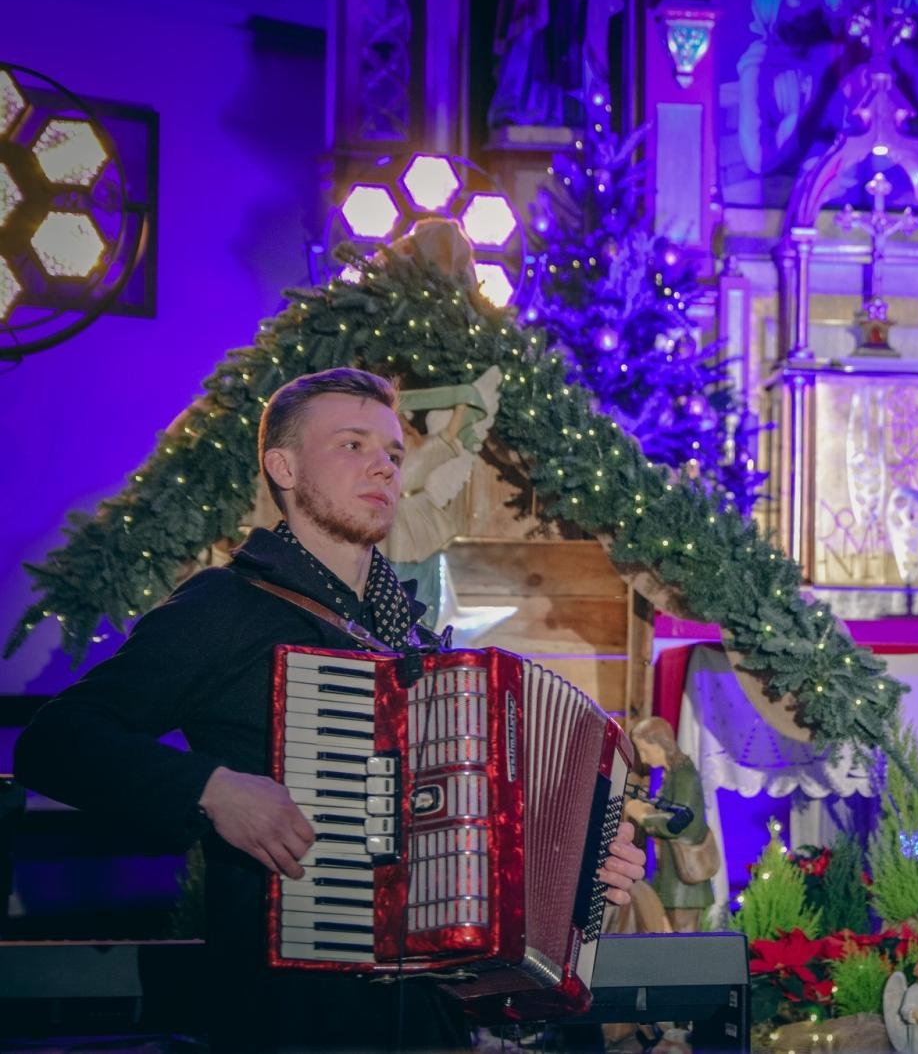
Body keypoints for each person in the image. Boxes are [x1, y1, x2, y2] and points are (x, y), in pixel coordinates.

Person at [14, 368, 646, 1052]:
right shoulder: (226, 606)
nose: (383, 466)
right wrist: (211, 789)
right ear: (283, 467)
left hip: (429, 1014)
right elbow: (55, 742)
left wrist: (577, 861)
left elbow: (472, 823)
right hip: (290, 1015)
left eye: (394, 454)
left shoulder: (414, 638)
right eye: (351, 445)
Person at [625, 717, 715, 933]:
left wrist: (643, 817)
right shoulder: (672, 773)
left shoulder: (684, 776)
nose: (644, 759)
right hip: (668, 876)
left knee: (682, 942)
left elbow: (682, 822)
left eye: (645, 751)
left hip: (682, 883)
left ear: (660, 744)